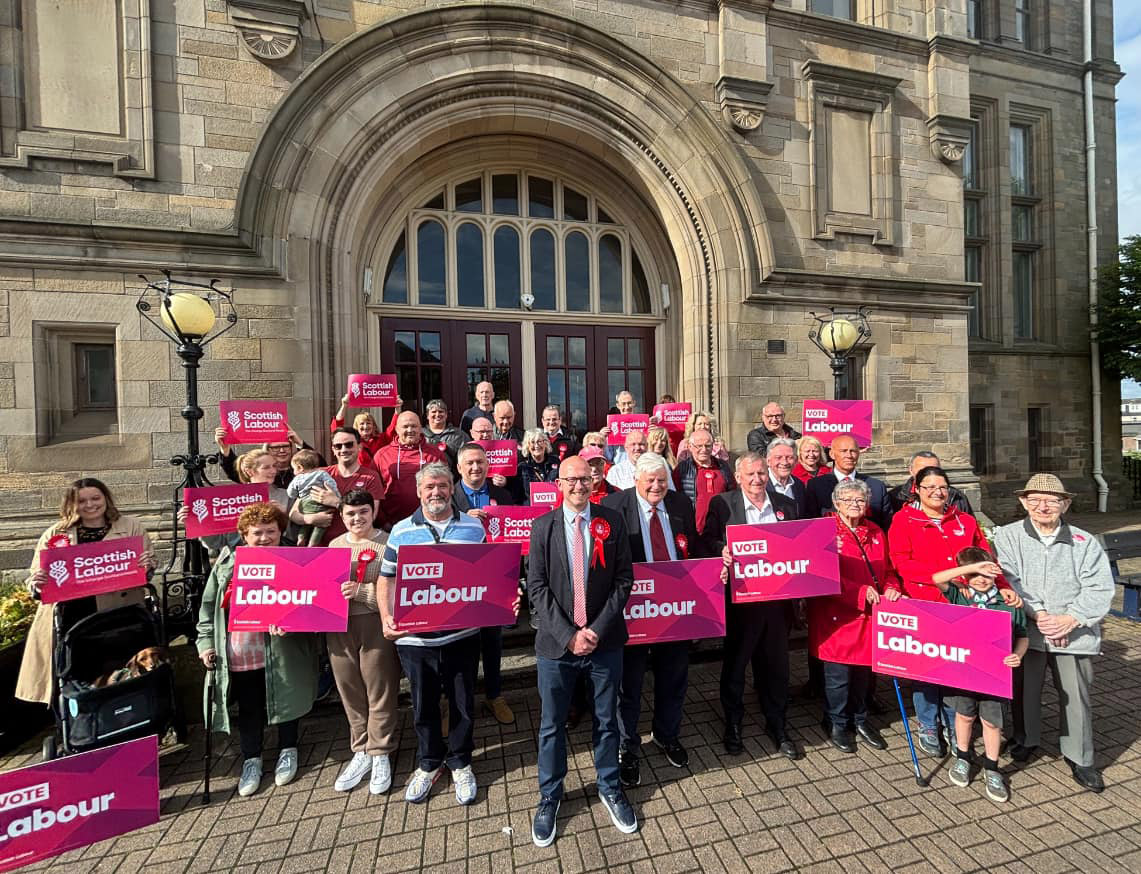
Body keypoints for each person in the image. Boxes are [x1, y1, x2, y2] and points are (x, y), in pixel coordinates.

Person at [379, 463, 519, 805]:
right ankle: (428, 763)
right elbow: (387, 578)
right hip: (415, 641)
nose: (436, 492)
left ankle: (460, 761)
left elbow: (492, 573)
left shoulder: (473, 527)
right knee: (423, 706)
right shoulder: (399, 531)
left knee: (462, 704)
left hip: (462, 636)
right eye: (429, 487)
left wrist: (506, 601)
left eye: (442, 486)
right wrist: (385, 616)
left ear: (451, 487)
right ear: (418, 491)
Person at [528, 455, 637, 847]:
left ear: (594, 481)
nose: (578, 485)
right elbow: (537, 588)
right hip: (556, 648)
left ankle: (609, 787)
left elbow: (624, 579)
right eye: (570, 480)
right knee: (552, 725)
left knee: (607, 721)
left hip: (604, 642)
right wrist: (569, 635)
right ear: (559, 484)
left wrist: (595, 630)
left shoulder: (612, 520)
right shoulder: (542, 527)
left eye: (584, 479)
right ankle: (550, 796)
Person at [994, 474, 1114, 793]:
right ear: (1023, 503)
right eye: (1034, 500)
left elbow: (1100, 587)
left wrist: (1070, 619)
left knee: (1075, 696)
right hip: (1028, 630)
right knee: (1024, 691)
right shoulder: (1007, 536)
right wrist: (1043, 617)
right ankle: (1026, 739)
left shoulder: (1085, 541)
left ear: (1065, 504)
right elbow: (1009, 580)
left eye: (1051, 500)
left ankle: (1080, 756)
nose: (1042, 506)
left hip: (1073, 633)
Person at [888, 465, 1020, 756]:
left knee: (956, 667)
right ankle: (927, 724)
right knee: (925, 668)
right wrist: (953, 575)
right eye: (930, 487)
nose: (937, 492)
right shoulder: (903, 519)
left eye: (943, 486)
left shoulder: (964, 520)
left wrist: (1002, 583)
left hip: (965, 606)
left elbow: (985, 555)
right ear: (917, 490)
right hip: (925, 603)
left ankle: (953, 722)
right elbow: (902, 563)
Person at [196, 502, 319, 797]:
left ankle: (288, 748)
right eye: (257, 533)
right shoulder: (227, 564)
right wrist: (205, 643)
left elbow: (310, 603)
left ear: (280, 532)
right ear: (244, 534)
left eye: (270, 532)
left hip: (280, 649)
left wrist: (292, 621)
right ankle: (252, 758)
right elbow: (208, 606)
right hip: (241, 650)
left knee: (286, 698)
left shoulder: (294, 561)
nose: (264, 538)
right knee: (250, 707)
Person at [602, 453, 701, 788]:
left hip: (675, 610)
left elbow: (696, 552)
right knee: (628, 685)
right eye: (650, 481)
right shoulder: (614, 507)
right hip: (634, 613)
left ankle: (666, 734)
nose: (657, 486)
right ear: (636, 480)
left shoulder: (680, 505)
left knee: (674, 678)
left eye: (662, 480)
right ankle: (627, 747)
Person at [17, 479, 155, 704]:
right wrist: (37, 583)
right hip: (72, 619)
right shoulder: (55, 533)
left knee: (119, 678)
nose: (90, 504)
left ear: (106, 499)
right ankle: (80, 727)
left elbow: (146, 570)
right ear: (72, 504)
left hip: (118, 618)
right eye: (82, 500)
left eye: (95, 498)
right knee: (74, 678)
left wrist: (147, 565)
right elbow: (36, 576)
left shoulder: (130, 527)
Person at [701, 452, 800, 759]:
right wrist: (723, 550)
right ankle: (733, 723)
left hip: (777, 604)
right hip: (740, 603)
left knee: (777, 668)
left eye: (761, 474)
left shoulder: (786, 506)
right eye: (751, 475)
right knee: (735, 666)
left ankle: (777, 724)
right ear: (738, 478)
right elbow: (706, 540)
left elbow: (799, 545)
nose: (757, 479)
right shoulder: (723, 504)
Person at [931, 546, 1028, 803]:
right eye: (977, 575)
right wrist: (972, 568)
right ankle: (962, 757)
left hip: (994, 676)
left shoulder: (1008, 602)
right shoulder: (961, 595)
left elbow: (1022, 637)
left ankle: (992, 767)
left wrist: (1018, 654)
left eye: (988, 573)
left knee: (991, 722)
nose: (982, 579)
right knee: (963, 716)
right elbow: (937, 578)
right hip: (965, 673)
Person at [810, 479, 900, 754]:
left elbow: (888, 570)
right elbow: (821, 575)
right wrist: (859, 592)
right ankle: (836, 721)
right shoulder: (823, 532)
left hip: (871, 617)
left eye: (860, 501)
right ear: (836, 503)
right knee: (839, 677)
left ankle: (860, 719)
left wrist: (892, 588)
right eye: (848, 500)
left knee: (864, 675)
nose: (855, 505)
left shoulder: (875, 531)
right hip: (837, 617)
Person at [326, 491, 401, 795]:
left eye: (362, 512)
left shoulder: (388, 543)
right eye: (350, 514)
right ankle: (361, 748)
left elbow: (395, 588)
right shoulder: (334, 545)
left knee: (379, 687)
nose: (357, 519)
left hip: (373, 621)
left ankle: (381, 750)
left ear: (373, 512)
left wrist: (362, 593)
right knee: (350, 687)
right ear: (341, 516)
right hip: (339, 625)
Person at [451, 443, 515, 726]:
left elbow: (515, 536)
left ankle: (494, 694)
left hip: (494, 577)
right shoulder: (448, 495)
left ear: (488, 465)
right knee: (459, 645)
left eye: (480, 462)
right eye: (470, 463)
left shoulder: (502, 494)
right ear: (459, 467)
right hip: (458, 580)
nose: (476, 468)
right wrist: (463, 519)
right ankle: (453, 703)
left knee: (493, 641)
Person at [290, 427, 383, 545]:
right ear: (333, 450)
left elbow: (371, 517)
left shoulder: (371, 477)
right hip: (318, 548)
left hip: (353, 547)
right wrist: (311, 519)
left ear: (359, 447)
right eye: (338, 446)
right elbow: (293, 514)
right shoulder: (318, 474)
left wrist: (337, 503)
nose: (344, 449)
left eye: (349, 445)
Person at [372, 412, 445, 529]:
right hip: (391, 525)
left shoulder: (435, 454)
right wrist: (383, 521)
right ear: (396, 429)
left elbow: (444, 487)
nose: (410, 430)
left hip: (429, 523)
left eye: (414, 426)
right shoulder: (382, 455)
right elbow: (374, 491)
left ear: (421, 428)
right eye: (405, 426)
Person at [804, 434, 892, 529]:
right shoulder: (816, 486)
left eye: (853, 451)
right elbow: (811, 524)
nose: (849, 456)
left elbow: (887, 524)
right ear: (832, 454)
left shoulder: (877, 487)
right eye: (843, 451)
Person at [673, 428, 734, 534]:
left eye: (708, 445)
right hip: (694, 530)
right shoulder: (682, 469)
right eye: (699, 446)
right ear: (690, 447)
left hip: (721, 528)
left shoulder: (723, 466)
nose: (704, 449)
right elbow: (674, 498)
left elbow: (733, 494)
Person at [887, 451, 974, 516]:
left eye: (934, 469)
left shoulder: (956, 496)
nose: (929, 474)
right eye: (922, 470)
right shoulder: (896, 496)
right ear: (911, 470)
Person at [329, 394, 401, 467]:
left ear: (374, 426)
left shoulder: (381, 439)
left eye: (368, 423)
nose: (365, 426)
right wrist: (344, 405)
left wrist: (397, 408)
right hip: (359, 475)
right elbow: (337, 429)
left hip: (378, 475)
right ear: (356, 426)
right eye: (362, 423)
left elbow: (393, 428)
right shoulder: (353, 440)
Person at [286, 449, 341, 546]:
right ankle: (313, 543)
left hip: (305, 505)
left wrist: (297, 495)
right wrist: (337, 496)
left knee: (306, 525)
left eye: (294, 469)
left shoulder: (297, 478)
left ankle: (301, 538)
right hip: (320, 504)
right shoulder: (321, 473)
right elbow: (331, 485)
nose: (294, 472)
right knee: (321, 526)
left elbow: (290, 492)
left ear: (300, 467)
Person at [765, 438, 808, 518]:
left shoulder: (799, 485)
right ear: (768, 461)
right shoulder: (759, 484)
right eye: (778, 457)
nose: (784, 462)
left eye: (790, 457)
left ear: (796, 461)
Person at [423, 399, 466, 464]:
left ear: (446, 415)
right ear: (427, 415)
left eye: (440, 412)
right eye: (433, 412)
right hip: (426, 472)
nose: (437, 414)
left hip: (451, 473)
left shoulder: (459, 435)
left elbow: (467, 457)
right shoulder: (420, 435)